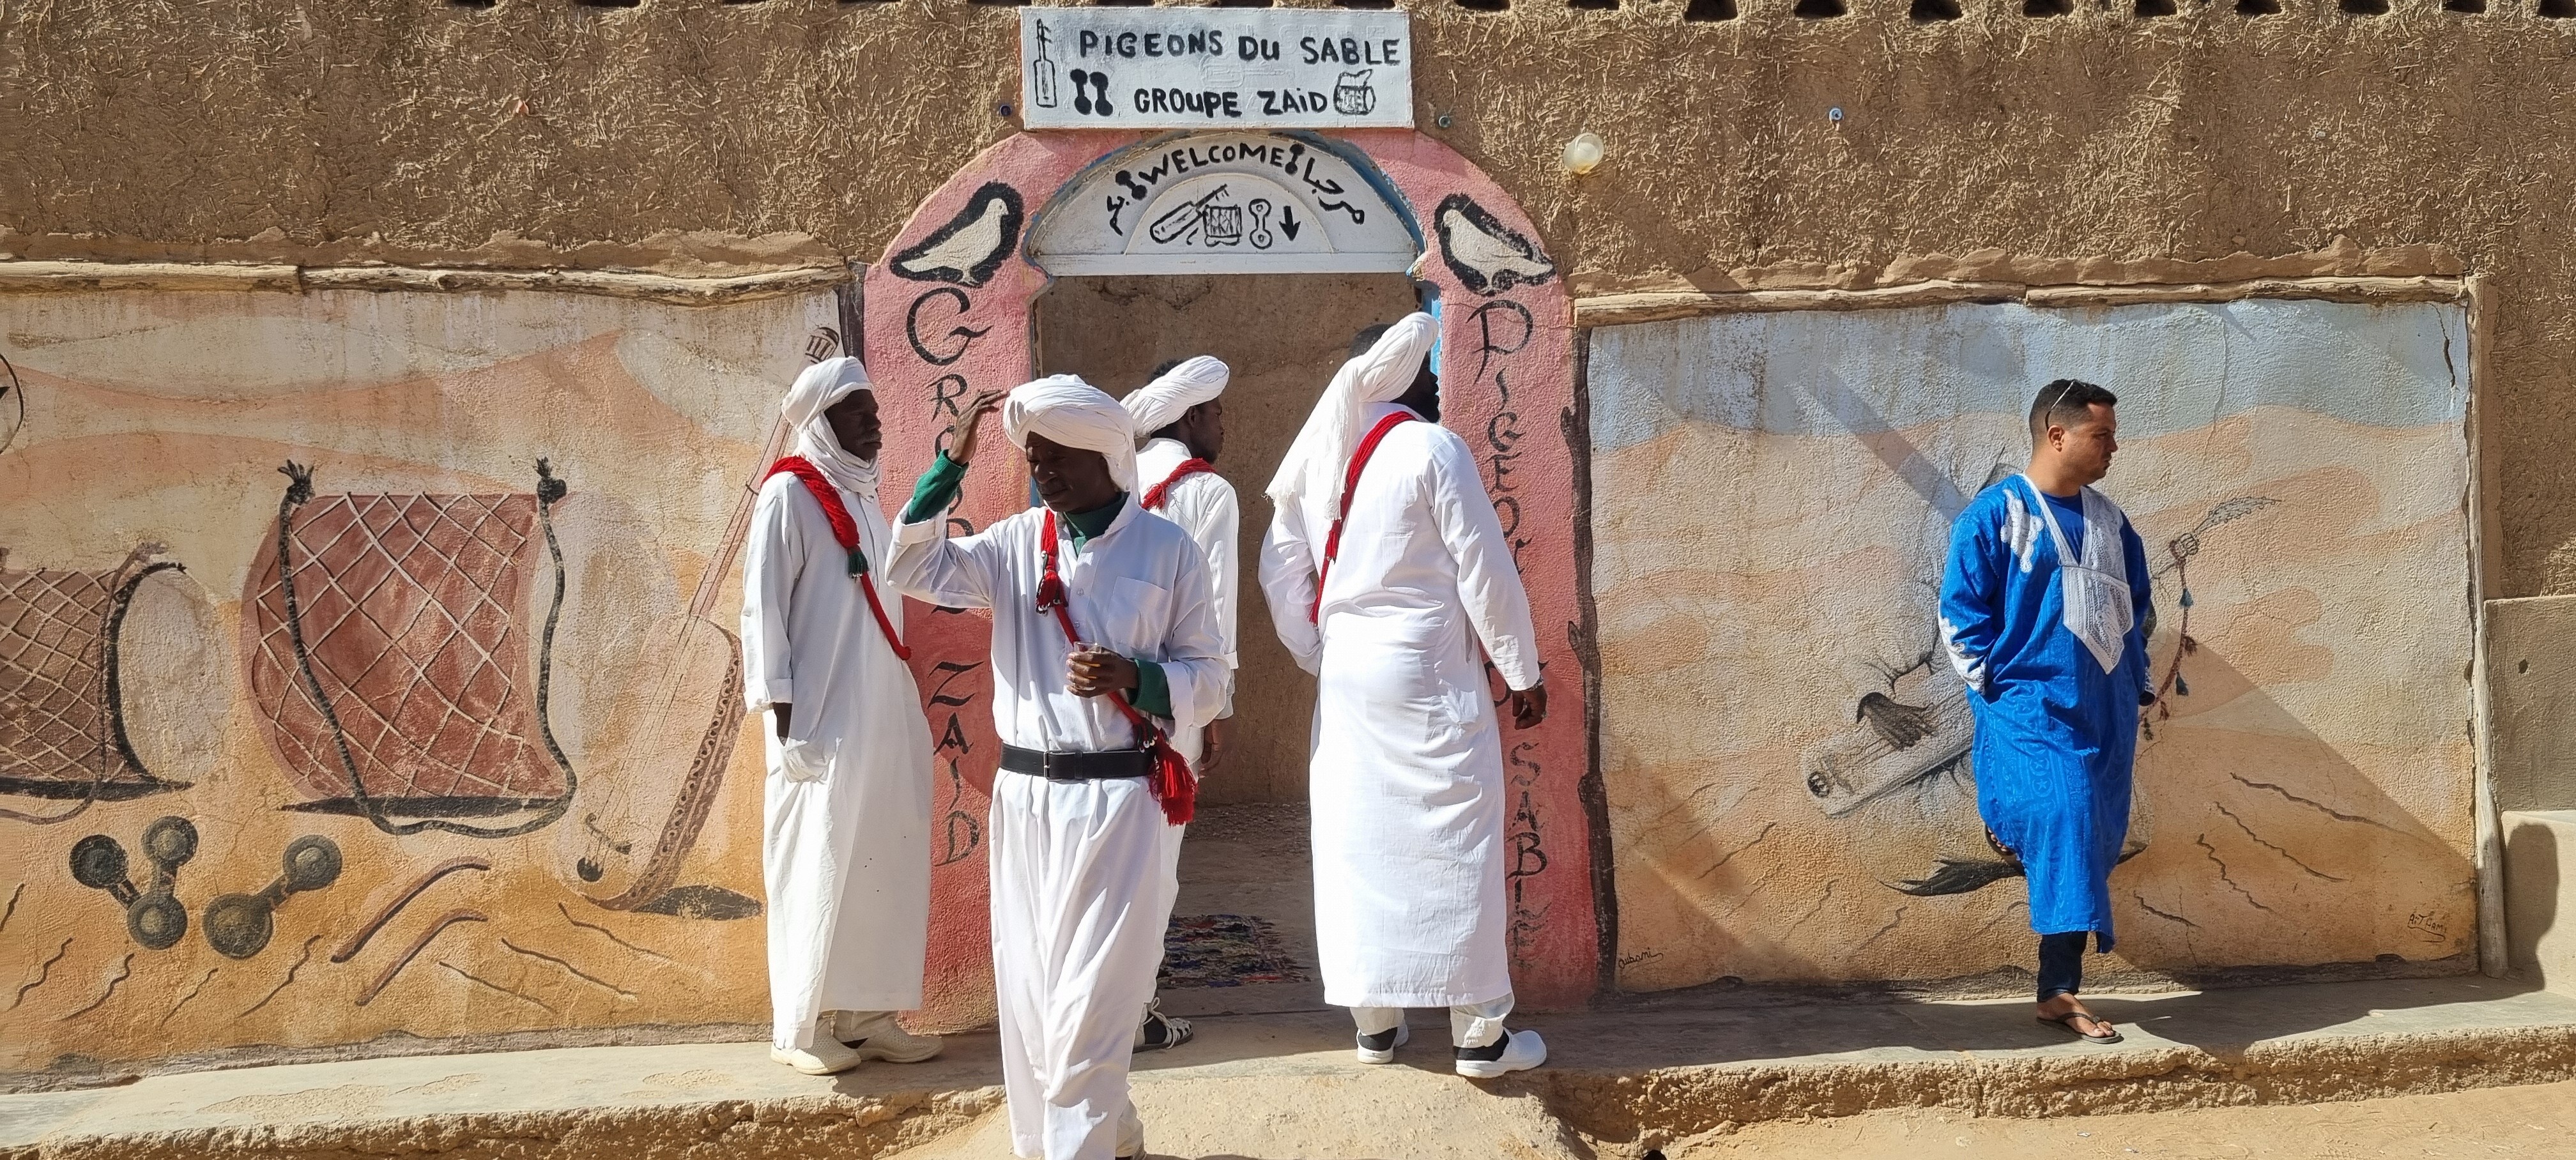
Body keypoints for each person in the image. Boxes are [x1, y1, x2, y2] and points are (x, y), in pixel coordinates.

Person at [883, 376, 1227, 1160]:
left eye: (1059, 457)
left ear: (1106, 454)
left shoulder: (1167, 548)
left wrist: (1133, 677)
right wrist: (948, 466)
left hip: (1120, 800)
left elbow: (1210, 678)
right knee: (1036, 1003)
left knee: (1092, 1003)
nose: (1044, 471)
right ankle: (1091, 1140)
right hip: (1027, 800)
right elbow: (910, 568)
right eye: (1035, 457)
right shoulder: (1014, 542)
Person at [1256, 312, 1551, 1079]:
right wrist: (1522, 671)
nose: (1435, 383)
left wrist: (1319, 651)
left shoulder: (1319, 456)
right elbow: (1483, 567)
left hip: (1349, 678)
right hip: (1428, 672)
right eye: (1428, 370)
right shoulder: (1431, 447)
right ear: (1406, 377)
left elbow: (1280, 570)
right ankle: (1481, 1036)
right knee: (1455, 832)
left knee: (1363, 843)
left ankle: (1375, 1026)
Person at [739, 356, 944, 1076]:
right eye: (859, 410)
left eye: (874, 409)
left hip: (881, 712)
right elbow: (762, 612)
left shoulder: (863, 495)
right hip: (818, 719)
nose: (875, 421)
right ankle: (799, 1026)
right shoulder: (788, 495)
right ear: (821, 421)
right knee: (817, 858)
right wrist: (784, 720)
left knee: (880, 855)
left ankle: (867, 1016)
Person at [1937, 378, 2154, 1046]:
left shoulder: (2113, 522)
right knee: (2065, 815)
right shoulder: (1995, 516)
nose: (2114, 446)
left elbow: (2137, 610)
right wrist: (1994, 694)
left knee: (2088, 831)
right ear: (2057, 435)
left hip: (2107, 712)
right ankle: (2058, 990)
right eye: (2102, 434)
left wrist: (2135, 687)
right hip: (2031, 711)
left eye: (2113, 434)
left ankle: (2057, 986)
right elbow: (1960, 615)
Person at [1117, 355, 1241, 1055]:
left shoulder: (1116, 476)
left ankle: (1115, 1002)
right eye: (1217, 411)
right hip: (1177, 696)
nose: (1223, 424)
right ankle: (1139, 1011)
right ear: (1191, 416)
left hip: (1112, 689)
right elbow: (1214, 611)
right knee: (1159, 862)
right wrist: (1215, 707)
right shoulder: (1206, 492)